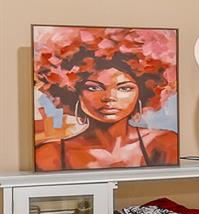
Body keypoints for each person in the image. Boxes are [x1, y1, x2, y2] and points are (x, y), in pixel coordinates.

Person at [33, 28, 180, 170]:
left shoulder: (163, 143)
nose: (109, 97)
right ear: (72, 92)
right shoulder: (50, 155)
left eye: (124, 88)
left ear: (143, 92)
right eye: (94, 88)